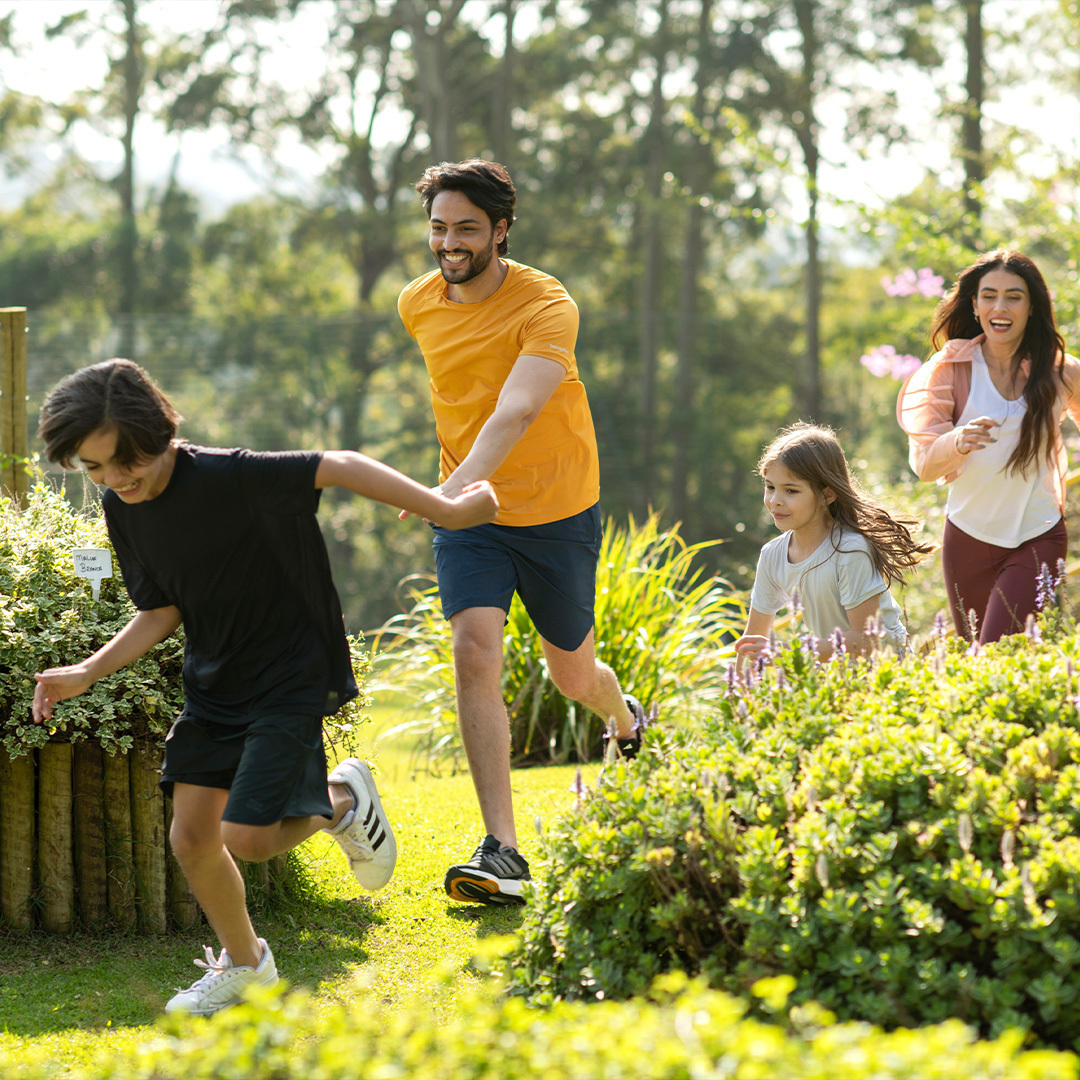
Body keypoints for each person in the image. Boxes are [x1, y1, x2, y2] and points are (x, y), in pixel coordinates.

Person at [32, 358, 497, 1016]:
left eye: (122, 461)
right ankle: (248, 965)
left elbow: (337, 465)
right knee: (191, 839)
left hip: (289, 667)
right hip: (216, 678)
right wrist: (86, 671)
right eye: (94, 468)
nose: (113, 480)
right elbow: (161, 608)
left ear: (156, 433)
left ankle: (340, 800)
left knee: (247, 838)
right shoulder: (123, 509)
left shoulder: (229, 476)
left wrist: (444, 508)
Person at [397, 158, 646, 907]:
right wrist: (454, 496)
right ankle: (502, 849)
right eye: (440, 227)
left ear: (501, 230)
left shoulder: (547, 304)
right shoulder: (417, 303)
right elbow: (461, 401)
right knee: (474, 650)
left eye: (467, 228)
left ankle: (626, 717)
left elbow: (515, 409)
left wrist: (445, 488)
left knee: (573, 674)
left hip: (556, 509)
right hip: (471, 518)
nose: (450, 242)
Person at [897, 249, 1080, 643]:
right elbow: (926, 466)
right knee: (983, 667)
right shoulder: (951, 371)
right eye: (990, 295)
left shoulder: (1060, 370)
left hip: (1038, 534)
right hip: (967, 539)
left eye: (1014, 296)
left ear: (1032, 307)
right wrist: (957, 441)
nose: (1001, 306)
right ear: (975, 305)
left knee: (996, 648)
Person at [735, 423, 931, 669]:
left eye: (791, 491)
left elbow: (865, 640)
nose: (775, 501)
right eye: (770, 487)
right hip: (839, 675)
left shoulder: (850, 550)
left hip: (890, 676)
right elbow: (753, 641)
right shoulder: (772, 556)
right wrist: (739, 695)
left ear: (827, 495)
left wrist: (788, 654)